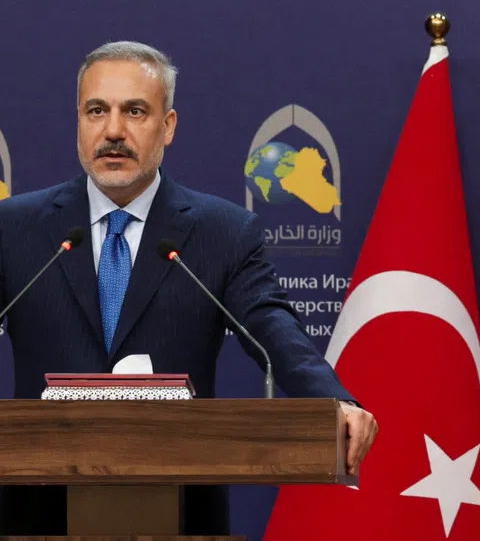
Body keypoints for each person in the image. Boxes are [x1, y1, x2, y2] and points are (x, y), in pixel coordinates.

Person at [0, 41, 379, 536]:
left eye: (135, 111)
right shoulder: (16, 229)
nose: (113, 130)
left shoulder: (222, 232)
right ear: (79, 121)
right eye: (97, 111)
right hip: (36, 515)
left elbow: (272, 330)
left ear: (168, 126)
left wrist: (335, 400)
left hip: (178, 509)